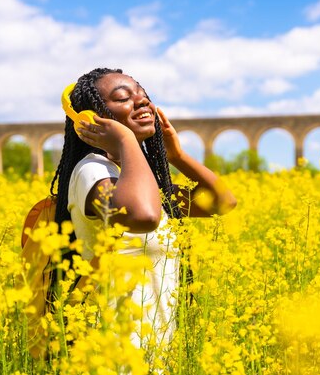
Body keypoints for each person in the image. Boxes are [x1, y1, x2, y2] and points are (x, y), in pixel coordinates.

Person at [49, 67, 237, 364]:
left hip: (151, 357)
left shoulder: (143, 182)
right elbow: (144, 216)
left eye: (144, 95)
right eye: (123, 98)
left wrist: (178, 157)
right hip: (107, 356)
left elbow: (221, 202)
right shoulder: (92, 172)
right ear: (89, 119)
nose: (142, 102)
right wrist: (125, 140)